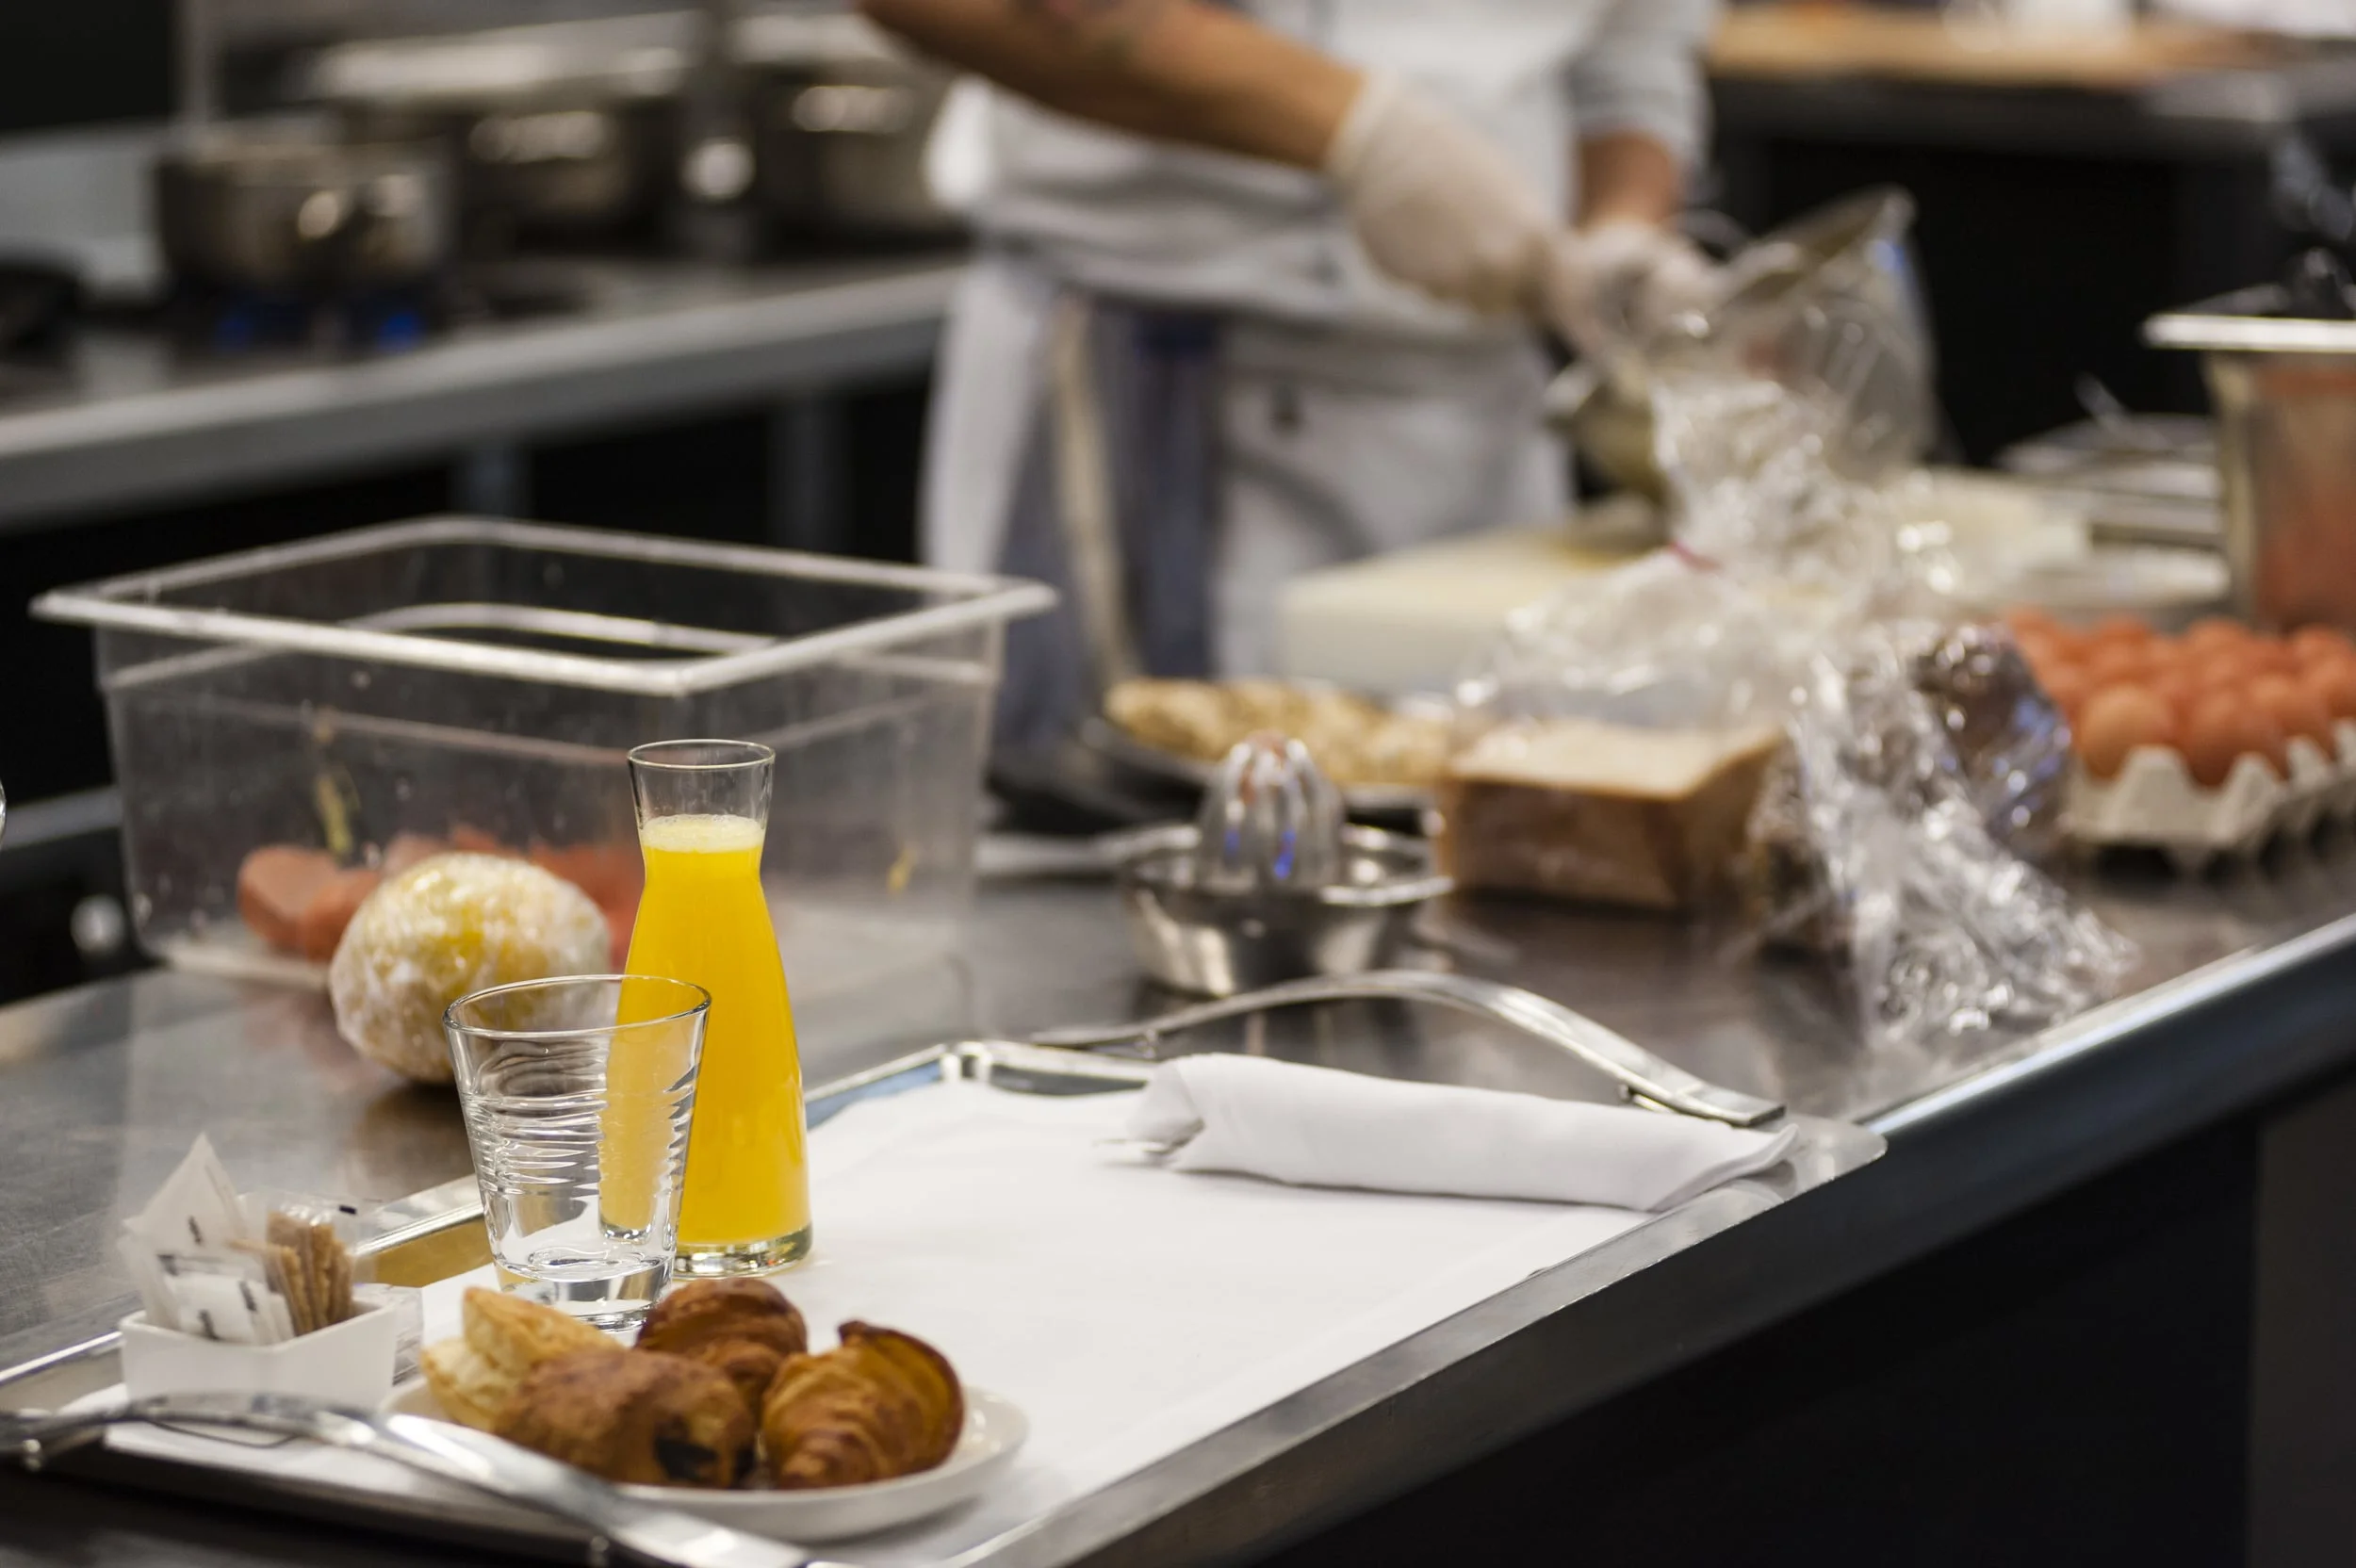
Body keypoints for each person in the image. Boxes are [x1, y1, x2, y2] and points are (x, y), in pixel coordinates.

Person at [858, 0, 1721, 748]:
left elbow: (1629, 52)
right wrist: (1361, 130)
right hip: (1156, 389)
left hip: (1488, 416)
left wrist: (1621, 225)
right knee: (1115, 843)